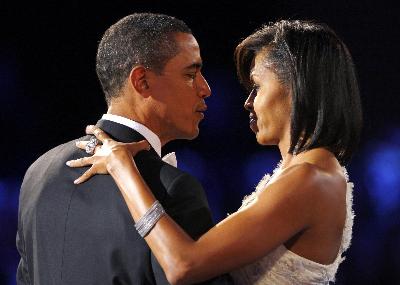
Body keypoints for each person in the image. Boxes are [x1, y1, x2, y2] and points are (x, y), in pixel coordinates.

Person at [67, 20, 362, 284]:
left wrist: (123, 168)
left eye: (257, 87)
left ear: (297, 88)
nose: (248, 102)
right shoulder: (307, 173)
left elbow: (183, 264)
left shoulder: (311, 179)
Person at [16, 13, 232, 284]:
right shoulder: (172, 188)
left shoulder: (38, 171)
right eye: (190, 74)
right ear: (141, 80)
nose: (206, 89)